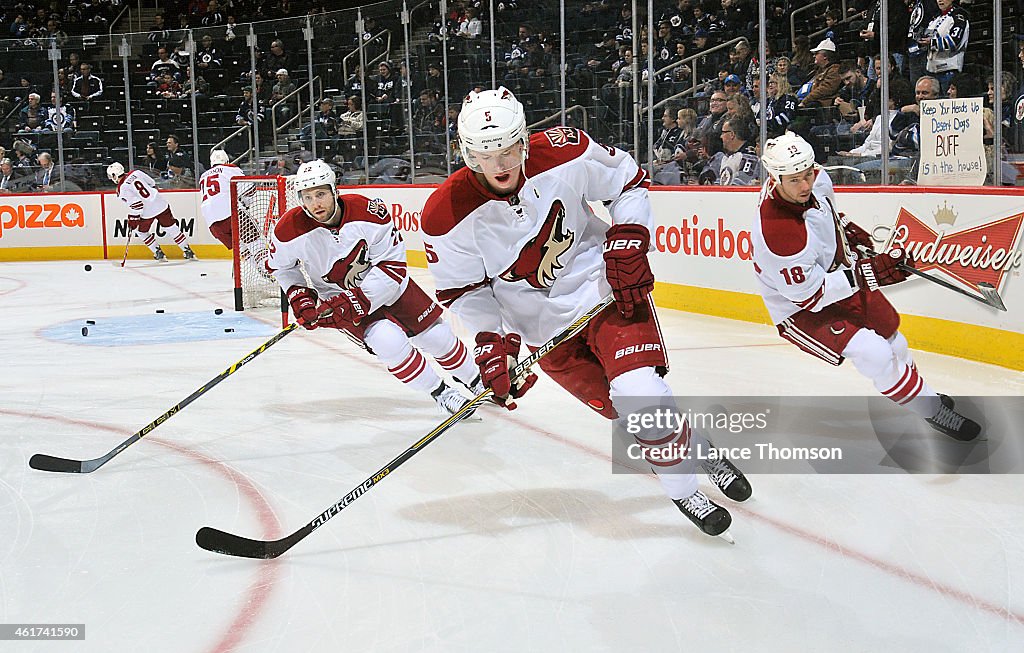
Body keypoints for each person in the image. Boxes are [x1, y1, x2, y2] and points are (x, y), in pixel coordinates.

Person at [420, 87, 752, 538]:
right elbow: (464, 291)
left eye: (508, 149)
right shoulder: (445, 214)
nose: (499, 164)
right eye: (485, 154)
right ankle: (700, 447)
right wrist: (490, 342)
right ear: (467, 152)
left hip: (603, 290)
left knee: (640, 394)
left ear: (523, 138)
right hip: (541, 328)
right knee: (627, 412)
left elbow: (629, 183)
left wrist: (630, 236)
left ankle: (682, 489)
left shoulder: (566, 151)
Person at [751, 132, 980, 441]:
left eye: (807, 174)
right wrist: (870, 273)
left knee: (893, 338)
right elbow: (811, 297)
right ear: (775, 178)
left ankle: (921, 396)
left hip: (835, 276)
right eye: (795, 180)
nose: (805, 185)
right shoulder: (777, 234)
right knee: (875, 353)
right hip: (797, 307)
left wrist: (845, 228)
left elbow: (826, 211)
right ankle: (931, 409)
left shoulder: (816, 180)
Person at [267, 160, 483, 417]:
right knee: (388, 342)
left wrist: (357, 299)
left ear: (335, 190)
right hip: (338, 299)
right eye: (308, 196)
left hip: (388, 287)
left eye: (321, 194)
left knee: (437, 337)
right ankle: (442, 393)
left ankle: (475, 379)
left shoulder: (369, 212)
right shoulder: (287, 230)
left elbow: (393, 264)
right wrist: (299, 296)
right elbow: (282, 268)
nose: (316, 203)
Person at [199, 149, 271, 275]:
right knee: (256, 243)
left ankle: (260, 272)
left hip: (212, 224)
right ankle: (268, 271)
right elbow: (249, 189)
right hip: (232, 214)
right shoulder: (230, 169)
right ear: (226, 161)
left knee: (242, 247)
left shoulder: (203, 176)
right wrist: (245, 203)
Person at [107, 162, 197, 262]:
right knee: (171, 228)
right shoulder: (136, 173)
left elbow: (138, 205)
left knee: (141, 232)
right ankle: (188, 251)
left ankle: (158, 253)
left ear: (114, 175)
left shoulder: (122, 189)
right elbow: (152, 183)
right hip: (160, 203)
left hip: (147, 212)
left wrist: (133, 220)